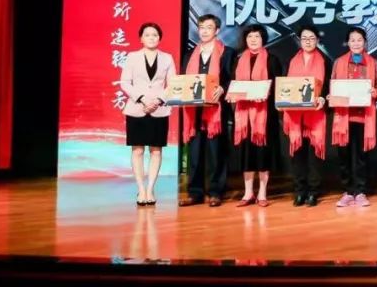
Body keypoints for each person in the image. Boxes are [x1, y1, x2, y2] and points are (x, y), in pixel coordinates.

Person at [179, 14, 236, 208]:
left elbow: (233, 78)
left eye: (209, 27)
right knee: (194, 154)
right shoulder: (189, 55)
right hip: (193, 110)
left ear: (217, 30)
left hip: (216, 111)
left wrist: (223, 88)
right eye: (201, 27)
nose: (204, 31)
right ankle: (195, 192)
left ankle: (215, 192)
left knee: (216, 152)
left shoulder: (227, 53)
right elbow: (184, 80)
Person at [119, 22, 176, 206]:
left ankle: (150, 189)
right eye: (147, 35)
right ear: (141, 38)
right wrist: (143, 99)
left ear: (160, 38)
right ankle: (141, 189)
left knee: (156, 150)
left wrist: (158, 100)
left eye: (155, 35)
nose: (151, 38)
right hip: (137, 109)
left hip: (159, 110)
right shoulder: (132, 57)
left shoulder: (167, 58)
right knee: (137, 150)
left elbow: (173, 84)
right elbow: (125, 82)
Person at [329, 26, 377, 208]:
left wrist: (376, 92)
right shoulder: (339, 62)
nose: (356, 43)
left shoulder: (373, 63)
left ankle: (360, 191)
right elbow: (333, 84)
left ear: (365, 42)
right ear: (348, 43)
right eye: (352, 40)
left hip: (363, 117)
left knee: (361, 156)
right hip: (343, 117)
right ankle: (347, 191)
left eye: (359, 40)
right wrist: (332, 94)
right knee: (344, 156)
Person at [230, 24, 283, 207]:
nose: (253, 40)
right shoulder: (238, 60)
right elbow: (233, 84)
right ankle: (247, 193)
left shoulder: (272, 60)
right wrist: (233, 95)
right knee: (246, 154)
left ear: (263, 39)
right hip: (243, 116)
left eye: (257, 37)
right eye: (250, 37)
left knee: (263, 154)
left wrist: (267, 94)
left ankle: (262, 193)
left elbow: (279, 87)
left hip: (265, 115)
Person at [282, 25, 329, 207]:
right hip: (295, 115)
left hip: (315, 115)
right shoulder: (292, 60)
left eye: (311, 38)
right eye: (304, 38)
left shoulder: (325, 60)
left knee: (314, 155)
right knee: (297, 154)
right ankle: (299, 190)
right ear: (299, 40)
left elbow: (328, 86)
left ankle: (313, 192)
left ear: (317, 40)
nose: (308, 41)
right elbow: (285, 85)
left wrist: (323, 98)